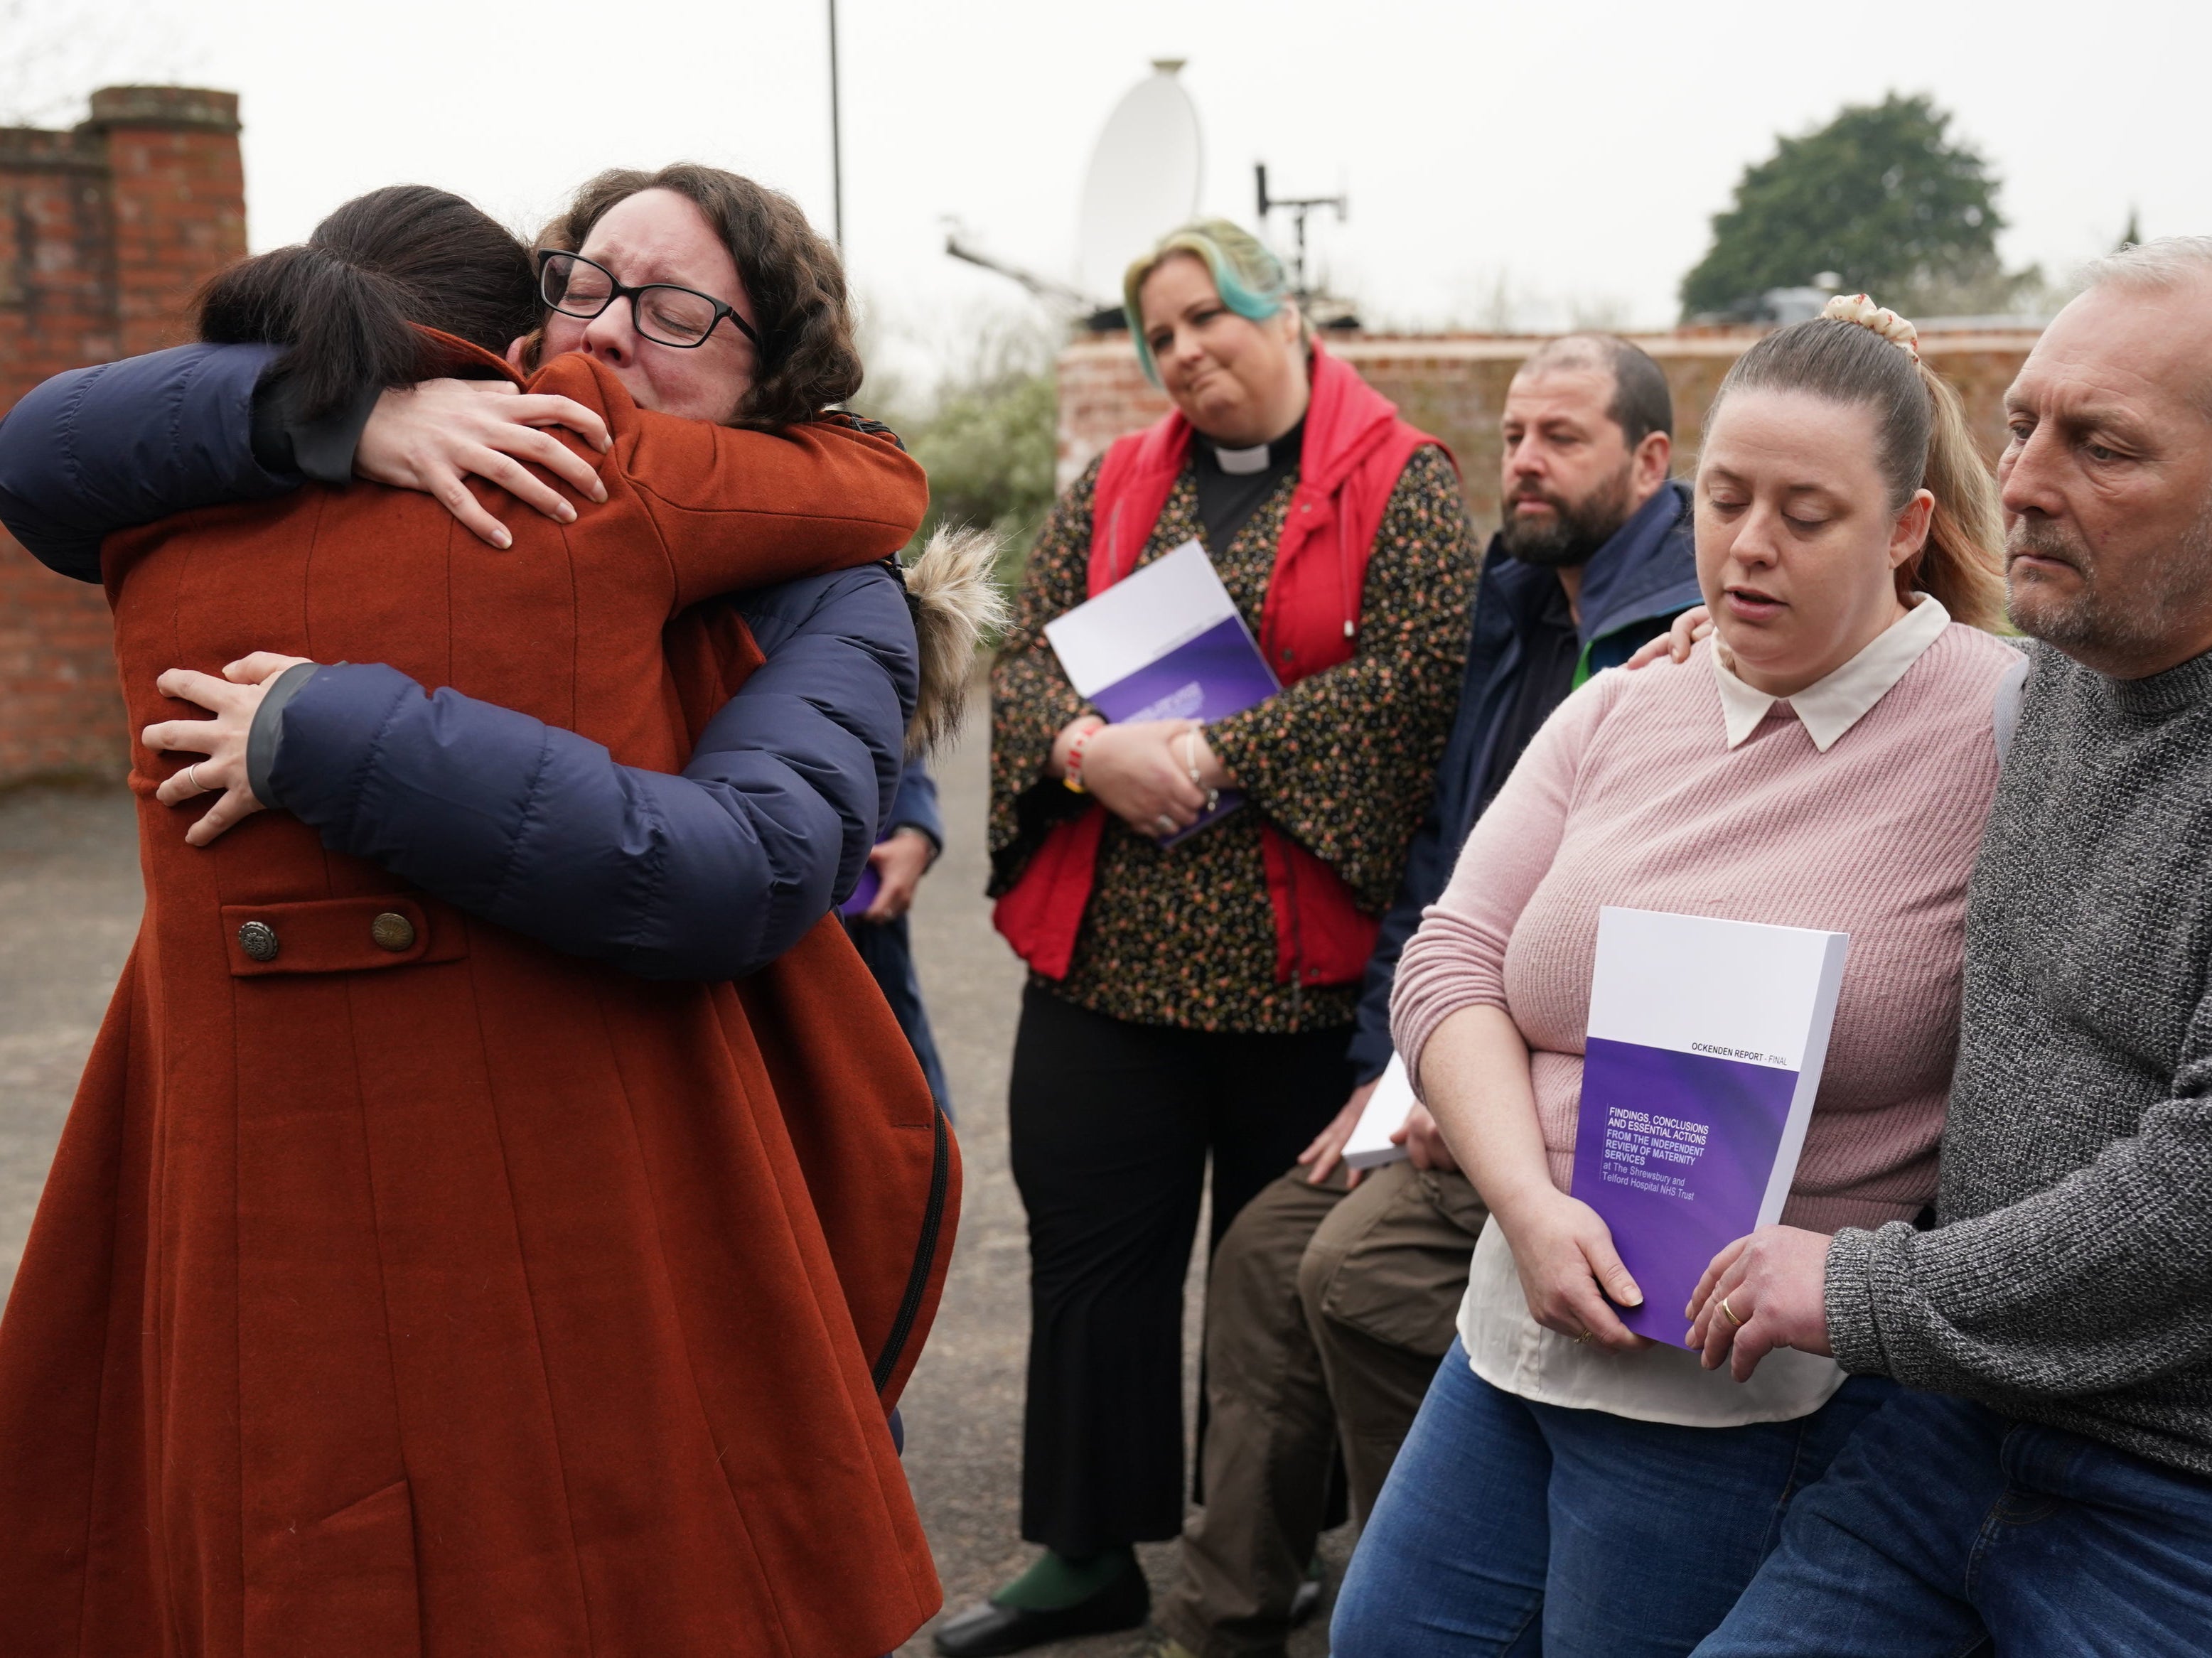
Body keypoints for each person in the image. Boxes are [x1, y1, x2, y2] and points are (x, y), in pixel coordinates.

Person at [0, 173, 972, 1655]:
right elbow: (43, 447)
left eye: (676, 310)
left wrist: (338, 735)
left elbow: (738, 864)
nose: (605, 334)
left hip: (724, 1154)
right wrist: (347, 413)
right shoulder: (451, 477)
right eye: (580, 285)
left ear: (773, 370)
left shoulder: (831, 584)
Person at [1330, 297, 2022, 1658]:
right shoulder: (1622, 700)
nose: (1748, 546)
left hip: (1745, 1380)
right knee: (1387, 1635)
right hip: (1520, 1315)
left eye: (1806, 515)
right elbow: (1453, 961)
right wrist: (1524, 1207)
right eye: (1724, 498)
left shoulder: (2001, 720)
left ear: (1904, 527)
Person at [1670, 240, 2212, 1658]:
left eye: (2099, 446)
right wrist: (1723, 647)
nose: (2023, 477)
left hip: (2171, 1496)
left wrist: (1853, 1287)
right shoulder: (2050, 690)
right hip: (1953, 1435)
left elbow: (2195, 1185)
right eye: (2024, 420)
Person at [955, 220, 1476, 1657]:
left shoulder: (1401, 478)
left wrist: (1216, 748)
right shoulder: (1118, 478)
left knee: (1271, 1279)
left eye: (1208, 317)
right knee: (1092, 1250)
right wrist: (1080, 752)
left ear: (1284, 308)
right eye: (1157, 336)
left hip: (1290, 977)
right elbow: (1025, 653)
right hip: (1109, 956)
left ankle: (1258, 1543)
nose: (1184, 352)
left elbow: (1418, 680)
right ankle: (1082, 1549)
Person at [1152, 334, 1700, 1658]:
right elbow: (1442, 868)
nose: (1522, 461)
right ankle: (1221, 1622)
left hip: (1572, 1090)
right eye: (1514, 433)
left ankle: (1418, 1606)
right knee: (1261, 1252)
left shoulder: (1676, 645)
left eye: (1560, 437)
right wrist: (1386, 1067)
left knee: (1346, 1272)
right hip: (1447, 1052)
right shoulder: (1506, 610)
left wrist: (1491, 1093)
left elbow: (1659, 929)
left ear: (1650, 462)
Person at [845, 757, 956, 1115]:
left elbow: (903, 749)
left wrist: (916, 830)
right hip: (748, 947)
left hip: (868, 927)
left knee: (909, 1122)